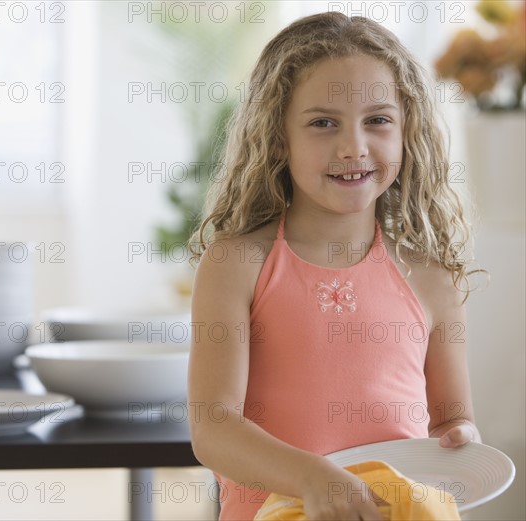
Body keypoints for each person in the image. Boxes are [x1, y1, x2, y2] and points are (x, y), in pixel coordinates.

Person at [187, 12, 482, 521]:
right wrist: (312, 478)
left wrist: (462, 439)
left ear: (406, 131)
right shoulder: (237, 263)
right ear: (278, 137)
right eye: (323, 123)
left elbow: (452, 421)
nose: (354, 148)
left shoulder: (430, 278)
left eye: (378, 120)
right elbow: (214, 428)